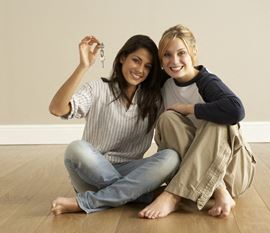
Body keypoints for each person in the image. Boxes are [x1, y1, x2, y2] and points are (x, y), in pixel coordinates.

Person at [48, 35, 180, 215]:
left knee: (171, 157)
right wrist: (83, 67)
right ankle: (140, 195)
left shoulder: (154, 100)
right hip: (92, 174)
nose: (140, 69)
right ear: (122, 58)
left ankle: (91, 201)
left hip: (131, 171)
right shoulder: (98, 89)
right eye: (136, 60)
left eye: (147, 66)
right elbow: (57, 109)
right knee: (76, 149)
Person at [138, 24, 256, 219]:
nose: (174, 61)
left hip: (232, 172)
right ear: (160, 59)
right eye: (167, 55)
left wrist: (190, 109)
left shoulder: (206, 81)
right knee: (167, 118)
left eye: (181, 53)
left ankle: (173, 195)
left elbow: (236, 110)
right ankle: (219, 193)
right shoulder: (165, 83)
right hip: (200, 176)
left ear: (193, 52)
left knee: (216, 121)